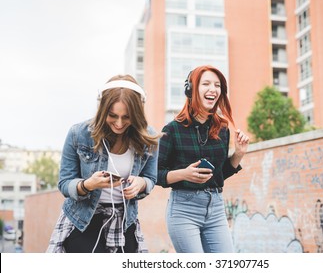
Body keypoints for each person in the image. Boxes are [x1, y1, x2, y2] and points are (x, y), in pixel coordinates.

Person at [47, 75, 160, 253]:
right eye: (112, 115)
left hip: (124, 221)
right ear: (102, 108)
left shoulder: (148, 137)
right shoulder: (79, 134)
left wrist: (141, 183)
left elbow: (151, 178)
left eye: (127, 117)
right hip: (82, 220)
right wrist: (87, 185)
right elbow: (64, 183)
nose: (119, 123)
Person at [157, 65, 250, 253]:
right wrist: (184, 174)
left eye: (217, 85)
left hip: (215, 207)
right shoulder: (172, 130)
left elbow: (219, 174)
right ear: (191, 90)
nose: (213, 89)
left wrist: (238, 153)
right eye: (206, 83)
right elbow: (155, 175)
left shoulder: (222, 128)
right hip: (184, 210)